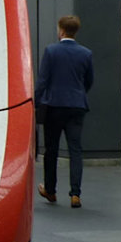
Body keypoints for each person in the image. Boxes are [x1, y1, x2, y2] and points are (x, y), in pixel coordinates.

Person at [36, 14, 94, 209]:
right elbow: (88, 81)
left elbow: (43, 81)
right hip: (77, 106)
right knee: (75, 150)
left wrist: (35, 101)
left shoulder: (51, 51)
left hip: (54, 106)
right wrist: (78, 94)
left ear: (61, 30)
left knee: (51, 150)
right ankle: (75, 194)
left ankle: (50, 190)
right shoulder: (86, 53)